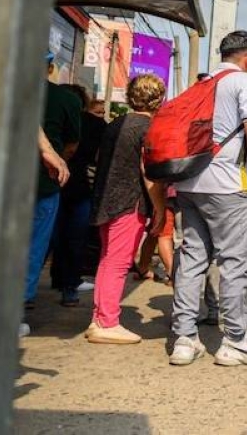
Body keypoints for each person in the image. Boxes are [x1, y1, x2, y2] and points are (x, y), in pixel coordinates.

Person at [168, 30, 247, 367]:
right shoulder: (246, 82)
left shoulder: (202, 82)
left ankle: (184, 339)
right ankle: (236, 341)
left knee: (192, 258)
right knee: (235, 261)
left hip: (189, 183)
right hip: (227, 184)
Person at [86, 74, 166, 344]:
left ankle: (99, 317)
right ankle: (107, 322)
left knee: (107, 260)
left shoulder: (115, 123)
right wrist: (160, 208)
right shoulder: (148, 129)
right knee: (118, 263)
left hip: (105, 200)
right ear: (159, 99)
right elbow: (149, 173)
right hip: (129, 202)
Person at [23, 53, 81, 336]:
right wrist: (53, 156)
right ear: (50, 68)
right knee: (33, 248)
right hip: (44, 183)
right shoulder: (67, 100)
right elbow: (71, 144)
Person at [52, 84, 107, 306]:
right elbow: (99, 157)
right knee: (75, 240)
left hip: (53, 183)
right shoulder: (95, 124)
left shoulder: (53, 118)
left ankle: (54, 281)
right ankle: (69, 287)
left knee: (52, 239)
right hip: (80, 188)